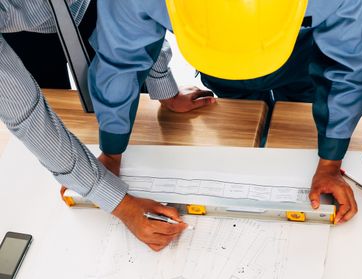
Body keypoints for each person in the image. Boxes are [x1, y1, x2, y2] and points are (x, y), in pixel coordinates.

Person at [88, 0, 362, 228]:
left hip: (302, 58)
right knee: (241, 122)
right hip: (220, 76)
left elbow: (347, 70)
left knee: (294, 121)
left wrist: (330, 161)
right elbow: (119, 62)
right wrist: (112, 152)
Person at [0, 0, 211, 252]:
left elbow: (137, 18)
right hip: (21, 29)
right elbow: (27, 115)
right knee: (58, 103)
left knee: (125, 80)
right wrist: (120, 203)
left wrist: (161, 84)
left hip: (86, 5)